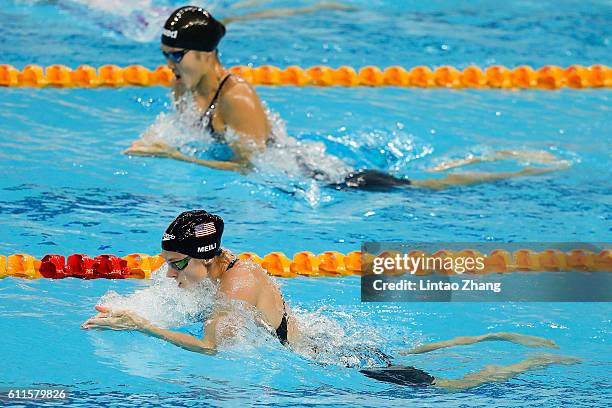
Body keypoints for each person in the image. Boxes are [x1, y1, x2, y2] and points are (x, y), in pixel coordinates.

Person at [81, 210, 579, 389]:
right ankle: (492, 335)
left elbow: (212, 348)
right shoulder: (217, 265)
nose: (169, 271)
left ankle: (527, 362)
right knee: (401, 357)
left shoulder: (235, 284)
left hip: (330, 359)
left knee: (445, 390)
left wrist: (141, 326)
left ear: (203, 258)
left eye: (176, 262)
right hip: (324, 339)